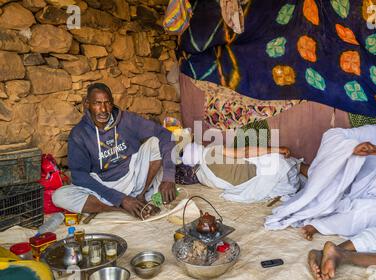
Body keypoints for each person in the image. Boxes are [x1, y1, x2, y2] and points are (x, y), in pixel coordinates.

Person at [265, 114, 376, 239]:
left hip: (368, 196)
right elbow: (332, 136)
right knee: (328, 203)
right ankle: (320, 219)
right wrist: (352, 147)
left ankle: (320, 224)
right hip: (342, 189)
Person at [52, 83, 177, 219]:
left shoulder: (127, 120)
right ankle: (119, 209)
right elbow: (79, 176)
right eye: (97, 103)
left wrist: (169, 177)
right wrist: (121, 199)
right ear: (87, 104)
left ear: (112, 103)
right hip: (104, 186)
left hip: (134, 178)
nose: (104, 109)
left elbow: (165, 134)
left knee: (156, 142)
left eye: (107, 103)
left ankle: (141, 198)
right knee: (59, 196)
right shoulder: (79, 134)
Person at [181, 142, 308, 203]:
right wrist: (278, 149)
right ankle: (318, 176)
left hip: (253, 186)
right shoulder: (211, 152)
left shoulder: (202, 177)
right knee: (291, 162)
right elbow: (246, 152)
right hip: (261, 173)